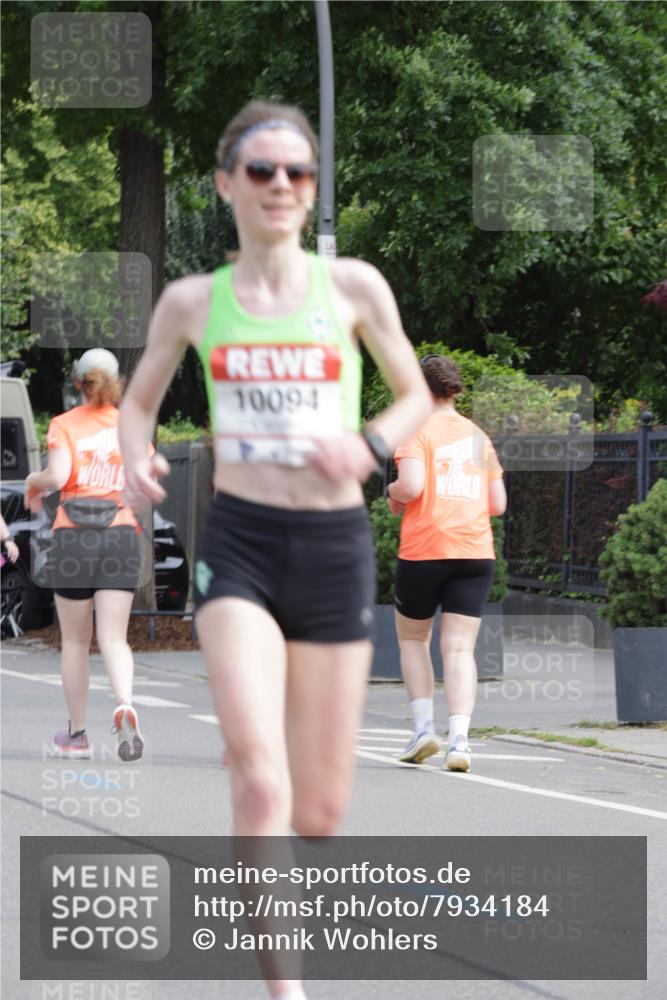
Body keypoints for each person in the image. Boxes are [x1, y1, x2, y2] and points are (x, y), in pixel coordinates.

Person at [119, 100, 431, 1000]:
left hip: (333, 546)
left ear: (313, 186)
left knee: (320, 811)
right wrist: (137, 458)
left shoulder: (354, 288)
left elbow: (411, 392)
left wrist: (368, 447)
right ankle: (285, 994)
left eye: (299, 172)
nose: (282, 187)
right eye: (262, 171)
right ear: (227, 185)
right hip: (243, 546)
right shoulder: (191, 302)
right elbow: (138, 404)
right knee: (259, 779)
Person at [386, 354, 507, 772]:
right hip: (475, 553)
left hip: (426, 550)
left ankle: (424, 730)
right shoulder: (478, 436)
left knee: (413, 639)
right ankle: (460, 741)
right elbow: (498, 503)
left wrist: (393, 491)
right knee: (459, 648)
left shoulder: (416, 430)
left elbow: (412, 485)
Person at [25, 348, 146, 762]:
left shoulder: (63, 425)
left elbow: (57, 476)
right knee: (114, 637)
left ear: (78, 383)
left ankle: (77, 736)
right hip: (120, 535)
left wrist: (32, 481)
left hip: (74, 537)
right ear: (116, 384)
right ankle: (125, 702)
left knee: (76, 641)